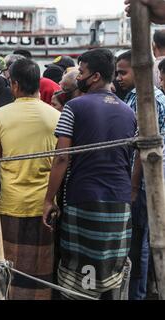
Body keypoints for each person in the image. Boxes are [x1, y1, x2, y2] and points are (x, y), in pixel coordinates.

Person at [43, 48, 136, 300]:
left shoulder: (74, 106)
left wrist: (48, 199)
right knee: (109, 265)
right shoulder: (130, 112)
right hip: (119, 200)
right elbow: (134, 160)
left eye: (81, 72)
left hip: (83, 198)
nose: (79, 77)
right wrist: (133, 192)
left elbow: (61, 157)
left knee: (78, 271)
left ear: (94, 77)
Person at [0, 58, 61, 300]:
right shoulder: (55, 116)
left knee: (10, 269)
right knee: (40, 271)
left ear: (15, 85)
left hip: (10, 202)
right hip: (44, 204)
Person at [116, 50, 165, 300]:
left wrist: (133, 186)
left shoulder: (146, 99)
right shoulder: (137, 96)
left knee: (139, 242)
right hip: (145, 180)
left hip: (146, 181)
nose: (119, 77)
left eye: (123, 72)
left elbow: (141, 149)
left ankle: (138, 293)